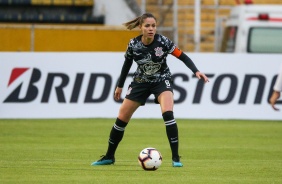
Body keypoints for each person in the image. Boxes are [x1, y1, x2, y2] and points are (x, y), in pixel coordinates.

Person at [91, 13, 209, 167]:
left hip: (161, 81)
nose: (151, 29)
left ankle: (176, 158)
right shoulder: (133, 44)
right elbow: (126, 65)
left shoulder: (163, 42)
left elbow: (182, 56)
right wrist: (120, 86)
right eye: (147, 26)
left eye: (153, 25)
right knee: (121, 118)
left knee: (168, 113)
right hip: (140, 82)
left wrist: (196, 71)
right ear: (140, 27)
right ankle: (109, 156)